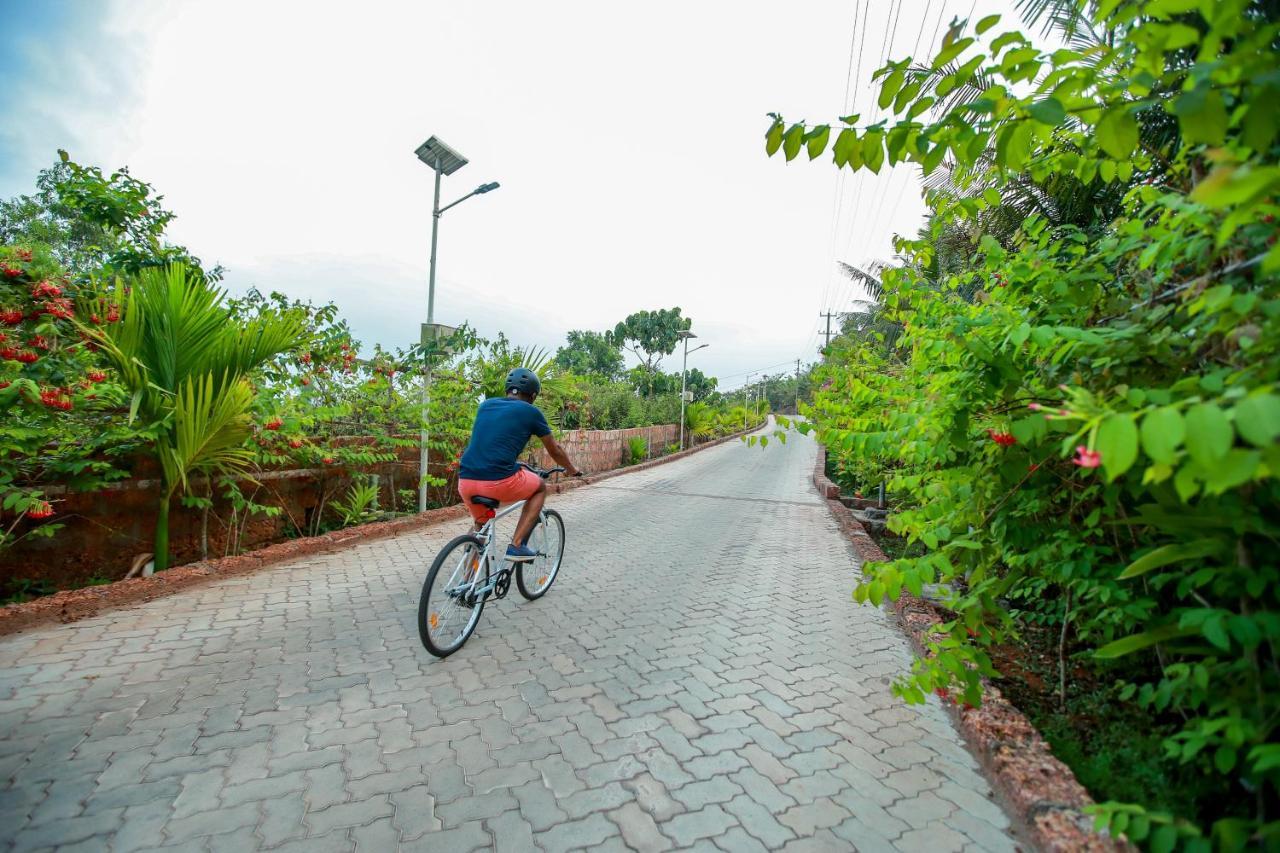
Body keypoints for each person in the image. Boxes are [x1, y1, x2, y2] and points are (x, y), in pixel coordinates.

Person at [456, 367, 581, 562]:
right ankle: (516, 545)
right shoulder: (531, 411)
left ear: (508, 389)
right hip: (497, 480)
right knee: (539, 487)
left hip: (466, 480)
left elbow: (490, 442)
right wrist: (572, 470)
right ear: (532, 395)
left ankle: (466, 584)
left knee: (480, 528)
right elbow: (554, 449)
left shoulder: (485, 406)